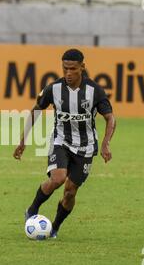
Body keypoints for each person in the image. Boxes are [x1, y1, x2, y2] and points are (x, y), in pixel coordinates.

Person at [13, 48, 116, 238]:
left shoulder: (95, 91)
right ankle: (32, 209)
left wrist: (105, 144)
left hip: (85, 147)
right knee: (58, 178)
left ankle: (55, 227)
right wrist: (23, 140)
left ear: (82, 67)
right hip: (61, 140)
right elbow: (36, 110)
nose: (68, 73)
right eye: (65, 68)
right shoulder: (54, 89)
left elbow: (111, 118)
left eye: (73, 69)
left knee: (70, 192)